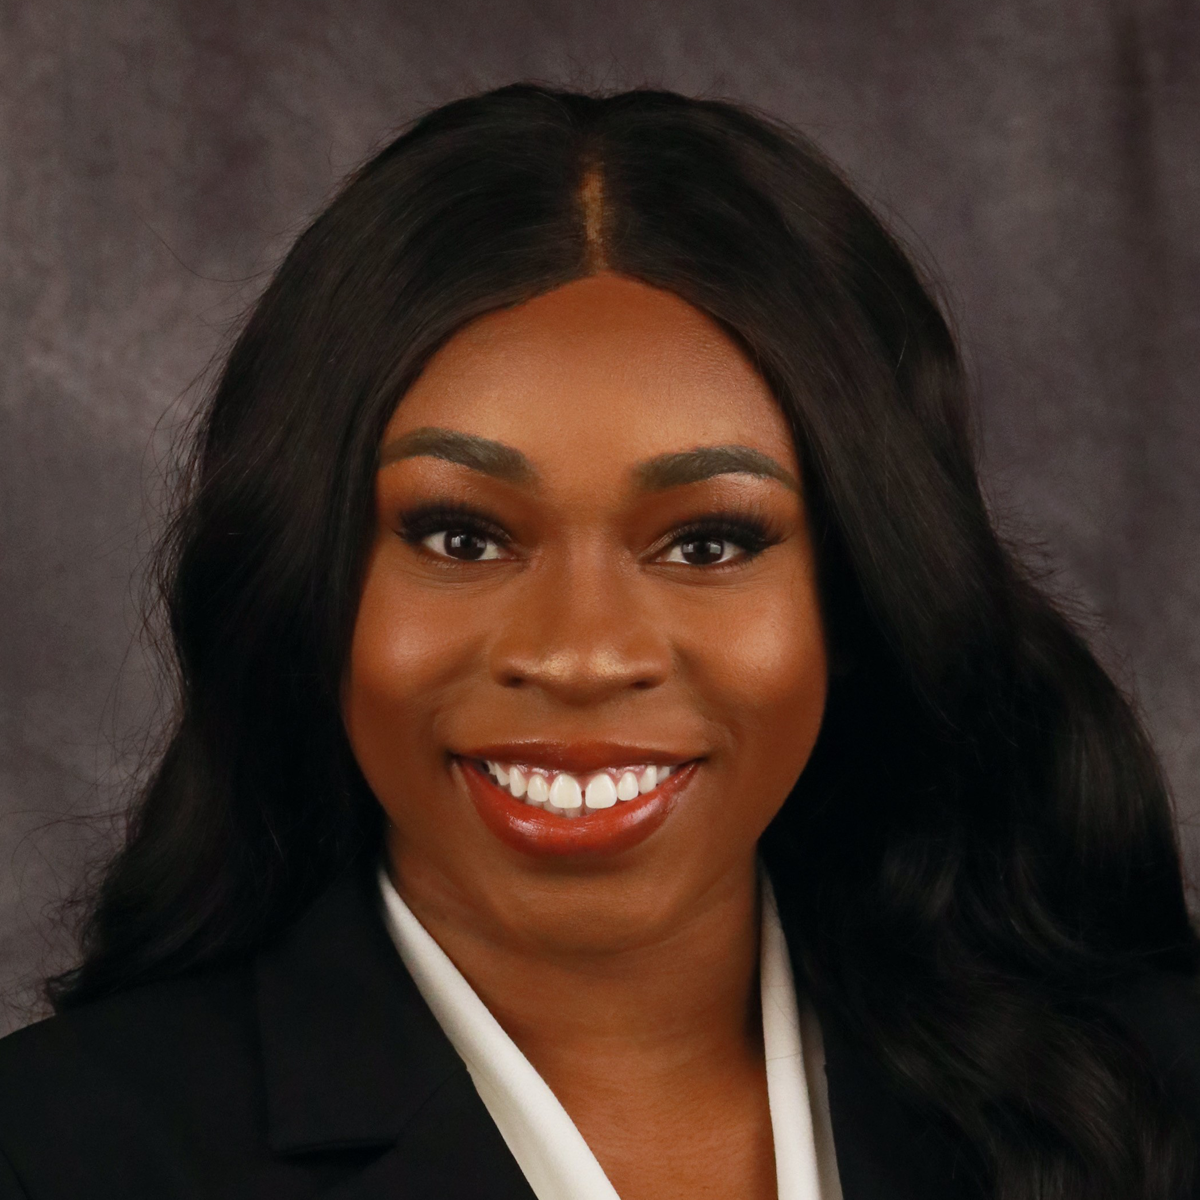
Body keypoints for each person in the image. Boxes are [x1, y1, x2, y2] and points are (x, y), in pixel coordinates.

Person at [0, 83, 1196, 1200]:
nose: (579, 656)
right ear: (306, 584)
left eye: (709, 544)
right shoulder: (55, 1151)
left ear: (863, 593)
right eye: (461, 538)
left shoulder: (1146, 1097)